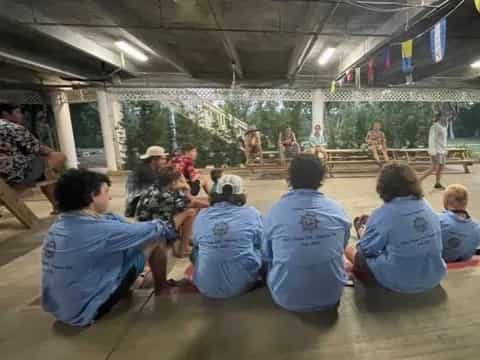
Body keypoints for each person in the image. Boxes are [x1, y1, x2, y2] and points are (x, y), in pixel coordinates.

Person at [41, 169, 176, 326]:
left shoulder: (59, 226)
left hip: (60, 308)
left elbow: (122, 230)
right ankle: (162, 288)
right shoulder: (99, 230)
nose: (110, 196)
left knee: (124, 240)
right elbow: (155, 228)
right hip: (86, 309)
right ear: (92, 195)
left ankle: (124, 283)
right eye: (106, 191)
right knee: (155, 238)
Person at [262, 154, 351, 312]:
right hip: (331, 295)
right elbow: (341, 247)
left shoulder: (275, 212)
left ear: (289, 177)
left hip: (286, 298)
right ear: (321, 177)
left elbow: (267, 254)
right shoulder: (337, 210)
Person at [345, 163, 446, 293]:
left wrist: (363, 233)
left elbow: (366, 251)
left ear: (383, 187)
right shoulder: (426, 205)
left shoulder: (383, 214)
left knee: (350, 248)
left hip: (400, 282)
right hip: (434, 276)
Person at [192, 174, 263, 298]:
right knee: (261, 247)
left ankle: (209, 272)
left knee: (196, 250)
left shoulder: (203, 215)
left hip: (205, 287)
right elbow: (262, 242)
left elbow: (196, 242)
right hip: (243, 284)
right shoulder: (251, 213)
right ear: (242, 193)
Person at [0, 103, 66, 212]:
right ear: (5, 114)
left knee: (45, 170)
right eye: (18, 112)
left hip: (6, 173)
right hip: (12, 175)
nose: (21, 115)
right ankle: (15, 192)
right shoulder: (11, 127)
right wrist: (53, 154)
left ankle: (57, 205)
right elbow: (40, 149)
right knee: (58, 158)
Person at [135, 166, 207, 258]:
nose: (182, 182)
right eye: (179, 180)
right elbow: (193, 202)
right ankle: (183, 249)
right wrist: (187, 189)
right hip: (154, 232)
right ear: (173, 182)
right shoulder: (167, 196)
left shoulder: (156, 187)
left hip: (146, 228)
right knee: (190, 212)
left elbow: (190, 201)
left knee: (183, 210)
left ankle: (186, 239)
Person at [438, 184, 480, 263]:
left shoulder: (438, 220)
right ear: (466, 202)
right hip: (463, 266)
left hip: (441, 265)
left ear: (446, 201)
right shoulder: (477, 227)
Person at [125, 146, 169, 217]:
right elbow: (159, 187)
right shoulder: (144, 170)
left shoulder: (154, 169)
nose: (165, 161)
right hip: (138, 202)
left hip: (144, 199)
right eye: (162, 159)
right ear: (154, 159)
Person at [419, 114, 448, 190]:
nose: (445, 117)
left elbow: (443, 140)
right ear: (439, 118)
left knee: (441, 167)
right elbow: (431, 140)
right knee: (434, 167)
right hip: (436, 150)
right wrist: (433, 152)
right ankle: (418, 180)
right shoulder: (435, 126)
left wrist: (445, 149)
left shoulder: (444, 126)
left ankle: (437, 184)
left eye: (446, 116)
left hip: (443, 150)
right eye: (444, 116)